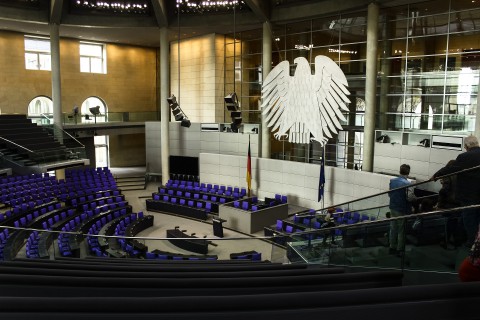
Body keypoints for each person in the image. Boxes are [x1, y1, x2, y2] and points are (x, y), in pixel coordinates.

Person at [432, 135, 480, 248]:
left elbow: (450, 168)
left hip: (469, 196)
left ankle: (473, 244)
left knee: (469, 219)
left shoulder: (465, 156)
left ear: (467, 146)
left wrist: (436, 175)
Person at [388, 164, 415, 256]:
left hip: (392, 206)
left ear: (400, 171)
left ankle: (392, 247)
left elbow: (389, 194)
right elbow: (410, 197)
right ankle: (400, 249)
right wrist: (415, 198)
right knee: (401, 230)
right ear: (408, 172)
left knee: (393, 228)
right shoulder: (408, 183)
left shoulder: (392, 181)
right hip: (402, 208)